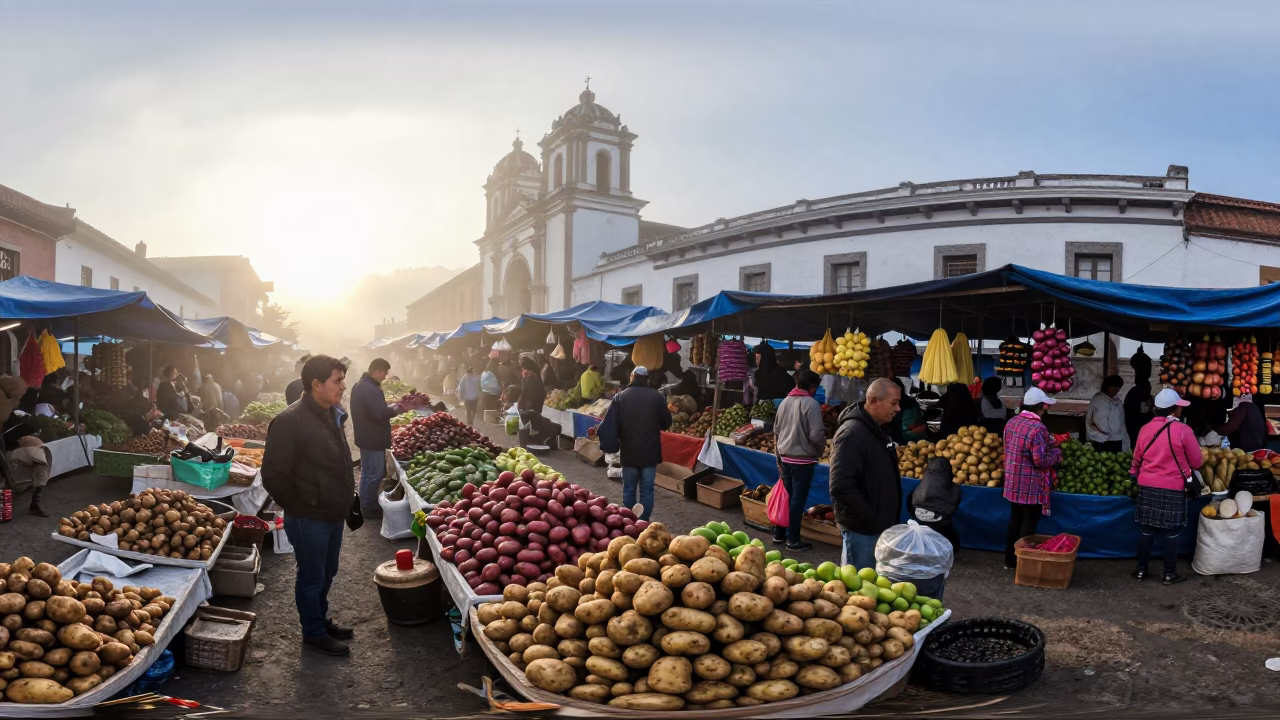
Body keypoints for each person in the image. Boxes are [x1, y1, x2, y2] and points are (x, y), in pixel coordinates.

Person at [261, 355, 356, 656]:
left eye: (343, 379)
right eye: (337, 381)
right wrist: (302, 505)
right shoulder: (289, 421)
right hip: (308, 517)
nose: (343, 386)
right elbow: (273, 476)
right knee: (312, 576)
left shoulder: (332, 413)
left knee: (328, 571)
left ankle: (320, 620)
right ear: (316, 384)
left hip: (332, 512)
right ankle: (313, 633)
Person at [828, 378, 902, 570]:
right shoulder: (852, 433)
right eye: (893, 403)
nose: (898, 409)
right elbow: (840, 486)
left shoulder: (876, 430)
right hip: (862, 529)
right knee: (858, 590)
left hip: (875, 526)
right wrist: (870, 517)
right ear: (873, 401)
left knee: (870, 587)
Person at [1129, 388, 1201, 584]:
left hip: (1147, 484)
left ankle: (1141, 571)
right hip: (1173, 487)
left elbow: (1136, 458)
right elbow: (1197, 462)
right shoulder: (1183, 430)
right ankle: (1169, 574)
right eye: (1179, 407)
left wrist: (1134, 474)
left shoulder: (1145, 429)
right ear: (1174, 410)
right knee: (1172, 531)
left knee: (1146, 529)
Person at [597, 366, 671, 521]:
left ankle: (630, 522)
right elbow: (666, 423)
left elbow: (610, 424)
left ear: (632, 377)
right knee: (647, 490)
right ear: (646, 379)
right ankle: (643, 522)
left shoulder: (621, 397)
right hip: (650, 453)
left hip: (629, 451)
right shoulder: (657, 397)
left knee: (629, 488)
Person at [1002, 387, 1062, 569]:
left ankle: (1009, 561)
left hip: (1012, 482)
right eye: (1045, 407)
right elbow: (1040, 460)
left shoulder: (1012, 422)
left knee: (1015, 520)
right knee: (1028, 525)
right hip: (1030, 485)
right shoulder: (1038, 428)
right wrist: (1057, 454)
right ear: (1041, 407)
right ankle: (1022, 561)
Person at [772, 370, 825, 551]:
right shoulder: (812, 404)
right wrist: (819, 450)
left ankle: (779, 533)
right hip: (803, 460)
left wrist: (778, 457)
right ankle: (793, 539)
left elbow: (776, 431)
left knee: (787, 497)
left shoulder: (785, 401)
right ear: (812, 387)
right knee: (797, 500)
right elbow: (816, 434)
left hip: (785, 457)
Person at [351, 358, 402, 516]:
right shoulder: (369, 389)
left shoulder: (362, 385)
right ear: (378, 371)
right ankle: (369, 506)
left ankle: (364, 503)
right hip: (372, 437)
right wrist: (396, 409)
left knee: (368, 472)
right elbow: (379, 414)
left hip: (366, 435)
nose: (385, 377)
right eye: (385, 373)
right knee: (375, 473)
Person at [1086, 374, 1127, 452]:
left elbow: (1122, 421)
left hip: (1117, 439)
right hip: (1100, 440)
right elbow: (1089, 420)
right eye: (1116, 387)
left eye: (1119, 388)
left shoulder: (1118, 402)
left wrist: (1124, 439)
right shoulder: (1097, 399)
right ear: (1109, 386)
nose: (1118, 390)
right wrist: (1096, 434)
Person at [1123, 379, 1154, 449]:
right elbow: (1146, 407)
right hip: (1136, 424)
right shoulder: (1140, 392)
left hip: (1132, 423)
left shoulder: (1134, 391)